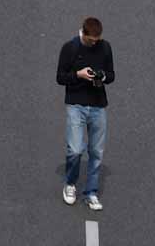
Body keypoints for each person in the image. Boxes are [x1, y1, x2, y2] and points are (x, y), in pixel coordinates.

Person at [58, 17, 115, 212]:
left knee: (96, 152)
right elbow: (60, 77)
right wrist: (78, 75)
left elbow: (112, 75)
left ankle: (91, 193)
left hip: (98, 106)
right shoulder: (70, 48)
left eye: (97, 40)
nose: (94, 43)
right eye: (91, 40)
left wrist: (103, 76)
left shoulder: (105, 47)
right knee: (75, 149)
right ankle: (70, 183)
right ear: (83, 33)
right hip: (76, 104)